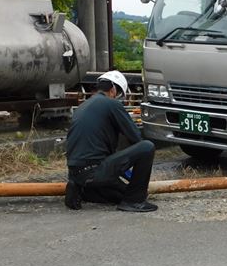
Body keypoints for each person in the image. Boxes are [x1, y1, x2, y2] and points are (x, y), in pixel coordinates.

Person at [64, 71, 158, 212]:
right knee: (147, 147)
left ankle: (81, 190)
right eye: (120, 95)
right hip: (96, 171)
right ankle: (134, 201)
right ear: (113, 90)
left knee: (121, 193)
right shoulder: (112, 104)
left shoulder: (83, 106)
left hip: (77, 174)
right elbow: (136, 138)